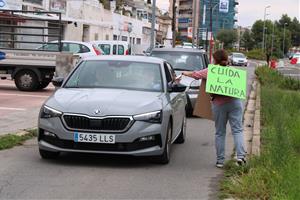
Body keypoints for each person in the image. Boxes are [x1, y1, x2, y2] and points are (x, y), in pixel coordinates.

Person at [179, 50, 246, 168]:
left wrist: (184, 73)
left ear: (215, 60)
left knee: (220, 132)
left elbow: (196, 74)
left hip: (219, 105)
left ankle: (220, 161)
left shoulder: (211, 71)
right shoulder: (233, 72)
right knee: (237, 130)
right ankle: (241, 157)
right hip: (235, 103)